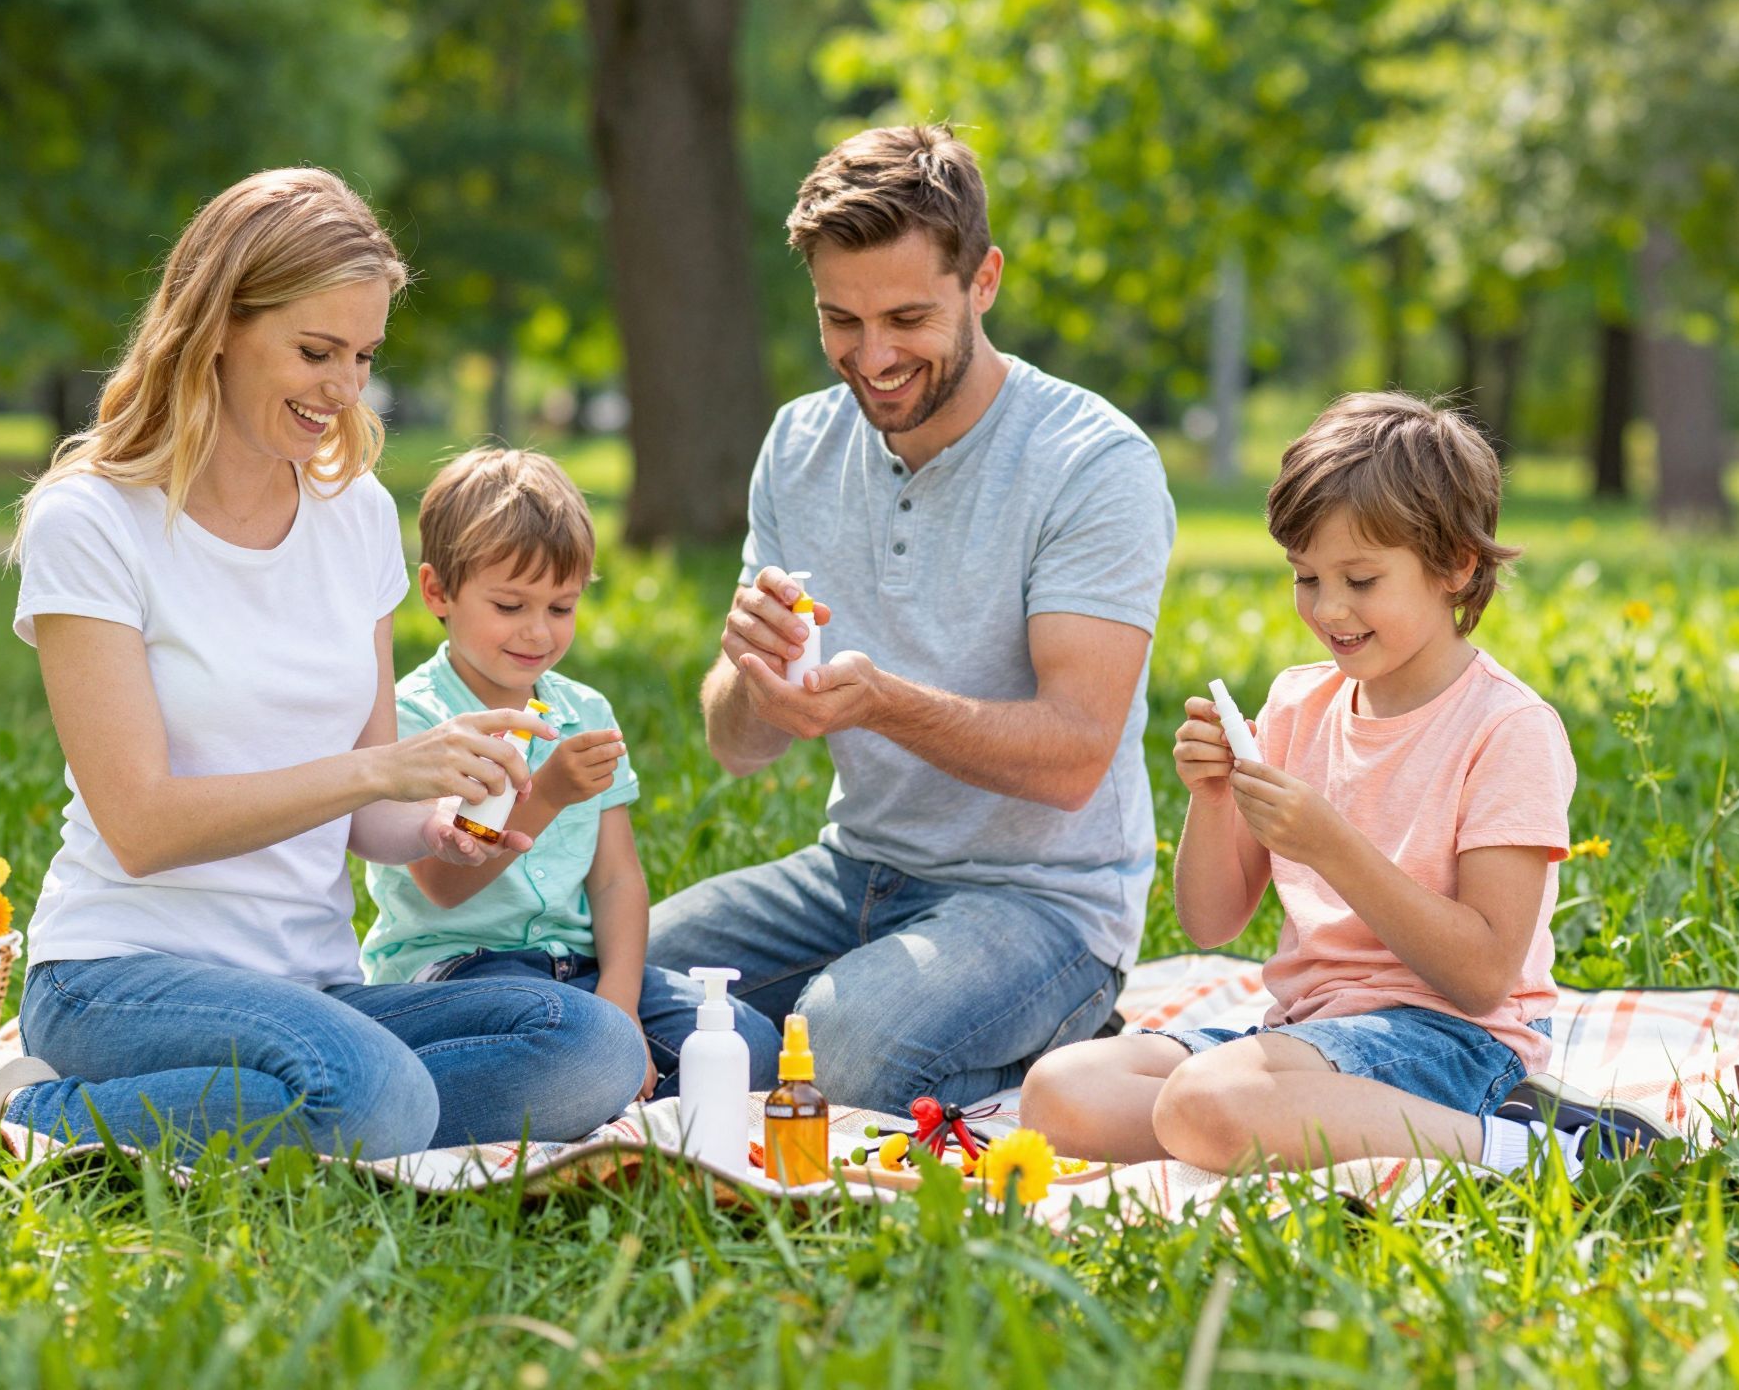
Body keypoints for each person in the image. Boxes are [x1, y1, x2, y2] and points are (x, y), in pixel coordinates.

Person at [4, 168, 641, 1159]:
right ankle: (24, 1117)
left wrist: (437, 820)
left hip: (307, 986)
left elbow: (371, 819)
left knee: (590, 1048)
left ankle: (311, 1104)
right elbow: (138, 825)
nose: (344, 390)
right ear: (217, 324)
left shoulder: (352, 517)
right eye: (315, 351)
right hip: (119, 974)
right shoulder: (91, 521)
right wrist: (380, 771)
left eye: (363, 355)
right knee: (371, 1092)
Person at [646, 124, 1177, 1114]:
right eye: (839, 320)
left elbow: (1072, 757)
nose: (872, 356)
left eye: (905, 316)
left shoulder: (1091, 463)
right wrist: (755, 681)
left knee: (843, 1046)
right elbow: (731, 746)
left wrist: (880, 704)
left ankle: (1054, 1032)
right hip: (855, 871)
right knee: (616, 973)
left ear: (982, 282)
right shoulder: (799, 444)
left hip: (1041, 906)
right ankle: (787, 1045)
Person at [1022, 391, 1611, 1176]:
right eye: (1306, 578)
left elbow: (1482, 978)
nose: (1329, 609)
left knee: (1207, 1104)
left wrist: (1332, 846)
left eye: (1361, 580)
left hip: (1454, 1045)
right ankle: (1277, 1123)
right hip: (1305, 1034)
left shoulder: (1508, 730)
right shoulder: (1299, 704)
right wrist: (1213, 798)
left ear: (1457, 566)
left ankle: (1531, 1147)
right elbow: (1211, 923)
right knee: (1060, 1091)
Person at [359, 447, 780, 1096]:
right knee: (573, 1039)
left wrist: (620, 1000)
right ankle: (569, 1086)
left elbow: (616, 880)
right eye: (509, 606)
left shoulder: (585, 711)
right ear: (438, 592)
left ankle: (595, 1099)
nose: (537, 632)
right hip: (459, 973)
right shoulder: (416, 718)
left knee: (745, 1040)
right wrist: (547, 793)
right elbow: (442, 884)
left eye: (560, 608)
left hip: (573, 969)